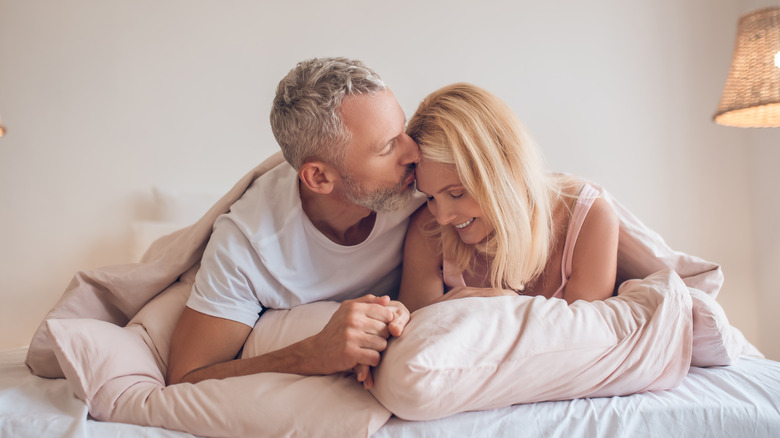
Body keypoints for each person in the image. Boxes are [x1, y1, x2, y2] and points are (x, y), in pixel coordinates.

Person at [166, 57, 424, 389]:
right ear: (318, 177)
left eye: (402, 129)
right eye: (388, 147)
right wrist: (312, 355)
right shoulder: (248, 247)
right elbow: (186, 377)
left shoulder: (424, 186)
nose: (414, 152)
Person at [399, 83, 619, 312]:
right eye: (430, 197)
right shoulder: (429, 228)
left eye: (457, 193)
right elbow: (416, 340)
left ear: (504, 171)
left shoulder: (588, 220)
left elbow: (584, 343)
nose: (442, 217)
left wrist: (510, 307)